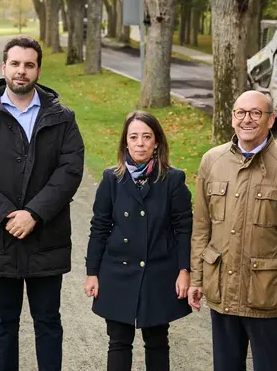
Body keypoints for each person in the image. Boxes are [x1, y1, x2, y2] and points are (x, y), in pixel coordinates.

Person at [0, 36, 84, 371]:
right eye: (15, 63)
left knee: (48, 322)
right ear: (4, 67)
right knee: (4, 323)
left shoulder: (63, 118)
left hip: (47, 237)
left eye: (29, 65)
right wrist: (7, 216)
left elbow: (70, 170)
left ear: (38, 70)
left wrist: (35, 214)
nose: (21, 71)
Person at [188, 90, 277, 371]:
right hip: (222, 290)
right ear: (232, 118)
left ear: (270, 120)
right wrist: (197, 280)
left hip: (267, 293)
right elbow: (201, 228)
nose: (247, 119)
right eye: (241, 112)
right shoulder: (212, 161)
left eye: (256, 113)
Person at [84, 111, 193, 371]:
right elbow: (99, 227)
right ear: (125, 142)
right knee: (119, 341)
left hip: (158, 271)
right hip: (118, 271)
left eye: (147, 137)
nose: (140, 143)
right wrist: (92, 273)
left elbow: (183, 229)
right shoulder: (112, 179)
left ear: (157, 142)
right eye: (134, 137)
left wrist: (184, 270)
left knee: (157, 340)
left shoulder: (172, 179)